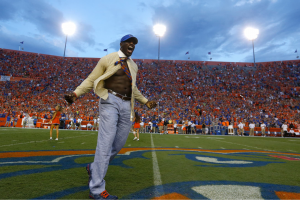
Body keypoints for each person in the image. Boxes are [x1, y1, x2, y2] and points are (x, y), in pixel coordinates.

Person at [64, 34, 156, 200]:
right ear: (121, 44)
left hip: (128, 105)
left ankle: (94, 168)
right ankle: (97, 189)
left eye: (134, 43)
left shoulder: (133, 66)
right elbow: (92, 79)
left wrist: (145, 101)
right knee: (105, 142)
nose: (132, 45)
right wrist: (76, 93)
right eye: (129, 42)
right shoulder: (108, 59)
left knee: (118, 143)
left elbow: (133, 88)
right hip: (110, 100)